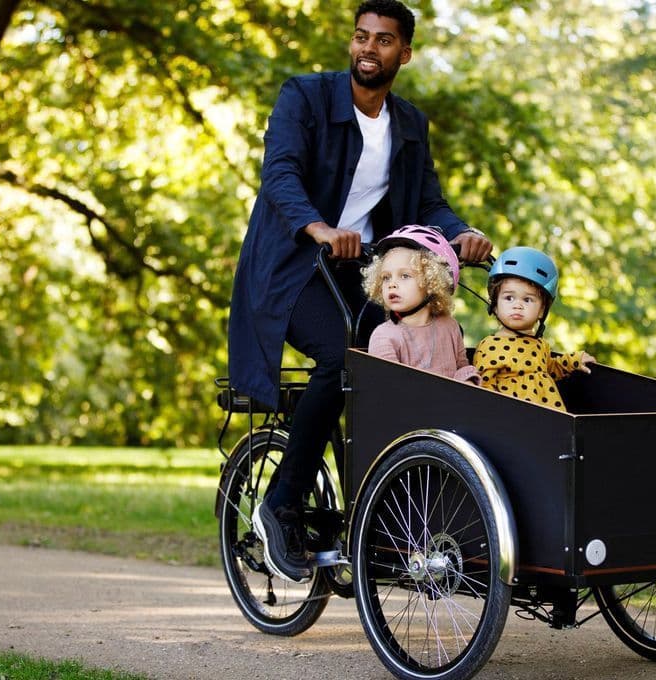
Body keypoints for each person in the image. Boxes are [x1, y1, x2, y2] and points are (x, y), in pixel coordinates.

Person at [228, 0, 492, 583]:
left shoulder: (409, 124)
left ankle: (381, 512)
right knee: (339, 358)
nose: (368, 48)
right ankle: (280, 504)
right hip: (292, 267)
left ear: (405, 53)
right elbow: (281, 174)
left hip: (360, 271)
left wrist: (464, 234)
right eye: (361, 37)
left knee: (404, 354)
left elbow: (428, 204)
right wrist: (319, 228)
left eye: (383, 40)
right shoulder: (304, 96)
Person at [473, 246, 595, 412]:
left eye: (528, 300)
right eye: (509, 297)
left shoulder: (540, 345)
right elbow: (483, 385)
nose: (518, 305)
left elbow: (550, 368)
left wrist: (574, 360)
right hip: (511, 416)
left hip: (546, 417)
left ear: (542, 311)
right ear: (494, 305)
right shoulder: (490, 345)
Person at [362, 226, 480, 383]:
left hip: (453, 403)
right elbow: (388, 389)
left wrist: (468, 382)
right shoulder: (385, 336)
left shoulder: (450, 327)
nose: (392, 284)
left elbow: (461, 367)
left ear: (431, 281)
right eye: (386, 277)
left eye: (404, 276)